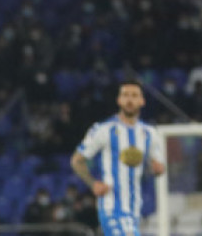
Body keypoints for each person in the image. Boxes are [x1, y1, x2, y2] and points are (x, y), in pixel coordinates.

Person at [70, 80, 166, 236]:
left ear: (142, 101)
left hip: (134, 209)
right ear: (119, 100)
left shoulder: (150, 133)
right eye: (125, 95)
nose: (129, 100)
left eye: (134, 95)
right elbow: (76, 160)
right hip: (111, 207)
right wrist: (93, 183)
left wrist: (158, 169)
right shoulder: (103, 130)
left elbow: (158, 166)